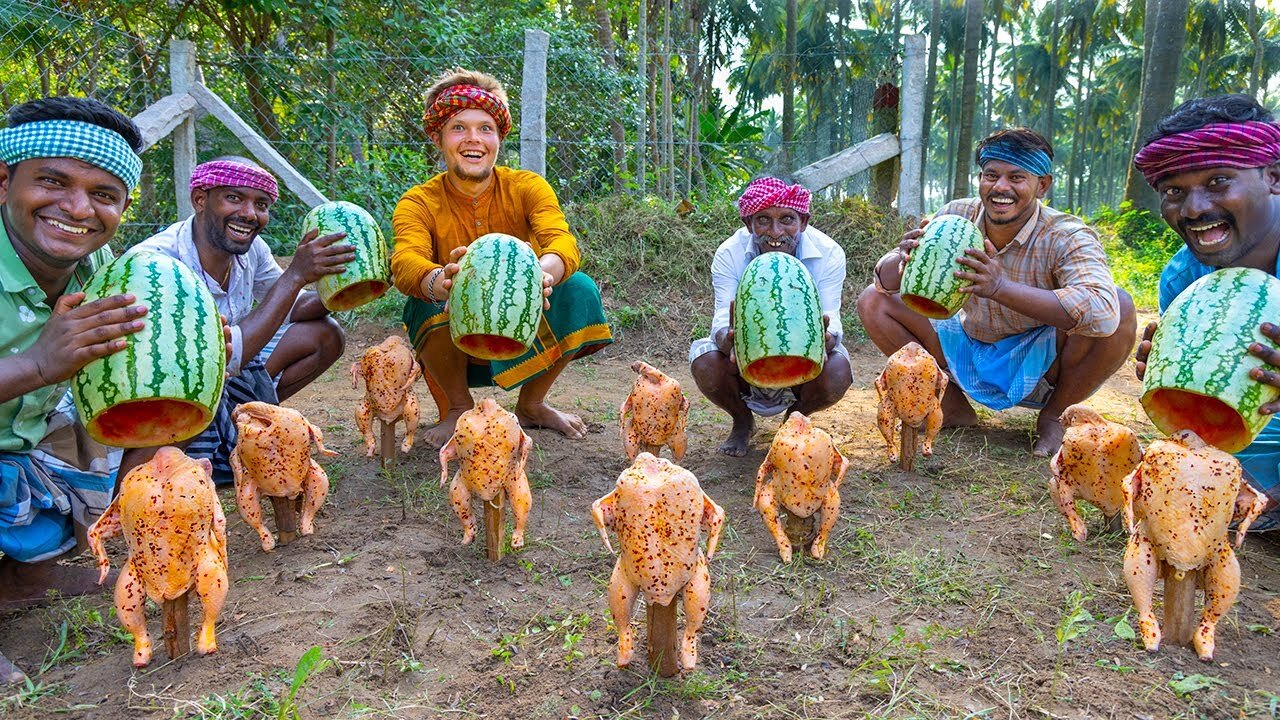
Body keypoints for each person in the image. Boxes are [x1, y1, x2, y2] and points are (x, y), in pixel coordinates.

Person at [858, 127, 1137, 457]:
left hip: (1041, 360)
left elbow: (1103, 311)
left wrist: (1000, 288)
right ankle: (950, 407)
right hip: (964, 344)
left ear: (1042, 185)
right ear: (980, 179)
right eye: (991, 175)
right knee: (873, 302)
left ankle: (1054, 416)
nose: (1001, 187)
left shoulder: (1066, 235)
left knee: (1120, 306)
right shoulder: (954, 215)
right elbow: (884, 282)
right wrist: (901, 261)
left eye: (1017, 177)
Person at [0, 96, 150, 681]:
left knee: (65, 568)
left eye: (104, 194)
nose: (77, 208)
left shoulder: (100, 268)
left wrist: (136, 512)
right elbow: (43, 368)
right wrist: (39, 363)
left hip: (18, 453)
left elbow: (143, 388)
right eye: (53, 182)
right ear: (5, 180)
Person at [391, 68, 613, 448]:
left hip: (522, 326)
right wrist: (440, 281)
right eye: (459, 128)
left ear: (499, 138)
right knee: (422, 301)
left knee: (579, 288)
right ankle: (458, 407)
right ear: (437, 138)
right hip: (454, 333)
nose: (473, 139)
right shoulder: (418, 201)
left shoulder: (527, 187)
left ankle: (533, 404)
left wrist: (541, 275)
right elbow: (405, 261)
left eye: (486, 128)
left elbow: (561, 241)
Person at [129, 156, 352, 483]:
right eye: (234, 198)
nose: (249, 214)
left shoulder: (252, 250)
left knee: (325, 335)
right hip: (167, 388)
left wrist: (342, 289)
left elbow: (291, 308)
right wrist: (295, 275)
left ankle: (243, 424)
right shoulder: (159, 265)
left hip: (220, 367)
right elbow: (216, 362)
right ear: (200, 200)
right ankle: (164, 462)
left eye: (260, 204)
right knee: (202, 384)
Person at [1132, 93, 1280, 533]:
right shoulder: (1184, 277)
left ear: (1274, 177)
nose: (1193, 209)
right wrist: (1172, 377)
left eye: (1218, 181)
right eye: (1174, 191)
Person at [689, 176, 853, 457]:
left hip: (804, 365)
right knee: (704, 360)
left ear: (803, 222)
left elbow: (832, 320)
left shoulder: (829, 253)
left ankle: (794, 420)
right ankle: (742, 421)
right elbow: (719, 321)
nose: (775, 232)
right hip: (744, 362)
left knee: (838, 370)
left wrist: (825, 339)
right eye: (763, 220)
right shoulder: (729, 253)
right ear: (748, 224)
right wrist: (729, 340)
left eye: (787, 219)